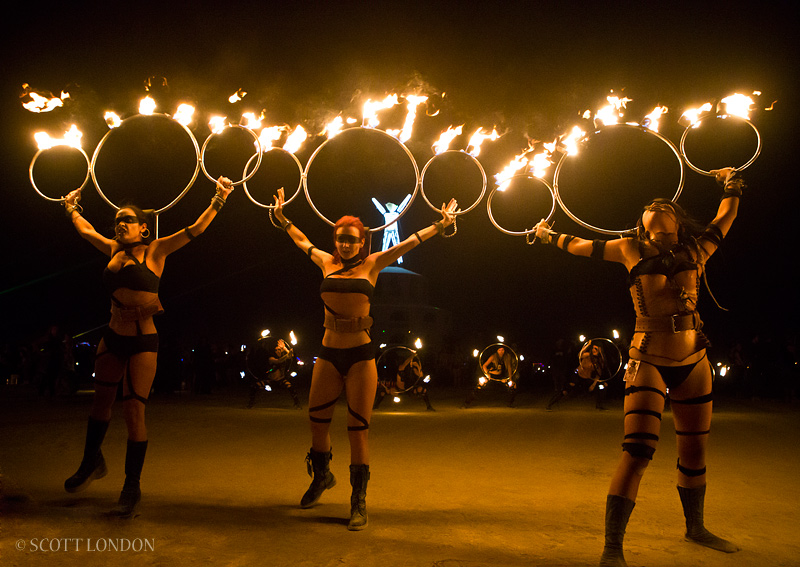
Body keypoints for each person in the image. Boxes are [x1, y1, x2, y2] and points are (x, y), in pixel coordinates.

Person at [535, 167, 743, 565]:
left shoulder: (696, 250)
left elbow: (726, 217)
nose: (657, 208)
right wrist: (549, 235)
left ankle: (695, 527)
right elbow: (581, 245)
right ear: (644, 228)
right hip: (647, 359)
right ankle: (613, 547)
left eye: (664, 210)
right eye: (651, 213)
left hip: (694, 359)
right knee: (638, 451)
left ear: (677, 224)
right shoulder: (629, 249)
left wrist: (732, 183)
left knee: (695, 450)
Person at [272, 187, 457, 530]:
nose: (345, 244)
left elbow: (407, 244)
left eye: (352, 240)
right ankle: (323, 476)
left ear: (362, 244)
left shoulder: (372, 265)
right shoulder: (326, 262)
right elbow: (301, 241)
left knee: (358, 429)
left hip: (360, 355)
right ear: (336, 241)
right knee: (317, 422)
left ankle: (358, 501)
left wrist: (439, 225)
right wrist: (283, 219)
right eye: (341, 239)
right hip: (328, 353)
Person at [61, 176, 233, 518]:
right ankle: (90, 462)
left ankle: (131, 485)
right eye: (117, 221)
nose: (120, 225)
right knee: (100, 405)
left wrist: (220, 197)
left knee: (133, 410)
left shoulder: (157, 251)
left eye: (127, 220)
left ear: (144, 228)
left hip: (143, 341)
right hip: (112, 336)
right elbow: (85, 230)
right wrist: (70, 208)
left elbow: (196, 229)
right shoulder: (111, 248)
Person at [246, 338, 300, 409]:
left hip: (281, 380)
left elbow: (291, 356)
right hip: (270, 381)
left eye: (279, 349)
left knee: (290, 386)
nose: (277, 351)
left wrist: (284, 348)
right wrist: (287, 354)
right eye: (276, 350)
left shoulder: (285, 357)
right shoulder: (271, 358)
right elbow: (279, 361)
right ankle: (251, 403)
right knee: (254, 386)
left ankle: (297, 403)